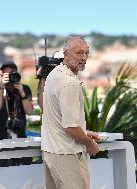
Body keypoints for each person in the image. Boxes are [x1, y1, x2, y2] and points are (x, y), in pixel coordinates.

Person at [41, 36, 100, 189]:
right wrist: (90, 143)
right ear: (66, 54)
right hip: (68, 156)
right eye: (79, 53)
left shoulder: (54, 74)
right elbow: (70, 127)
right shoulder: (69, 83)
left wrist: (84, 131)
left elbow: (59, 118)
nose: (84, 58)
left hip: (52, 153)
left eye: (87, 53)